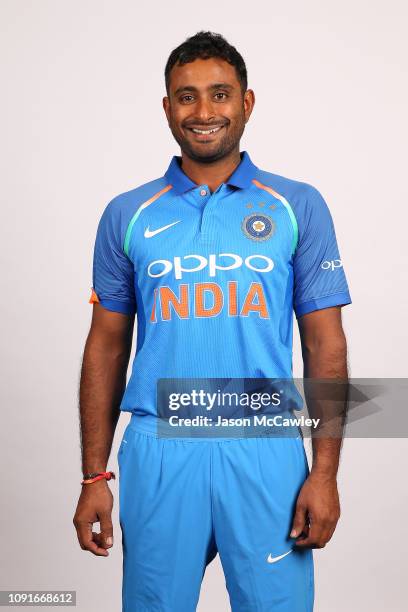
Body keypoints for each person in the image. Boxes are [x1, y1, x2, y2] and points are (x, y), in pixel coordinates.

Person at [73, 31, 352, 612]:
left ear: (246, 103)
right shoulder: (128, 213)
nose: (204, 112)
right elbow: (105, 348)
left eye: (220, 95)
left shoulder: (296, 205)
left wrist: (324, 473)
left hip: (265, 447)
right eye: (186, 97)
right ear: (168, 107)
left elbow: (324, 342)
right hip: (159, 446)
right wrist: (94, 478)